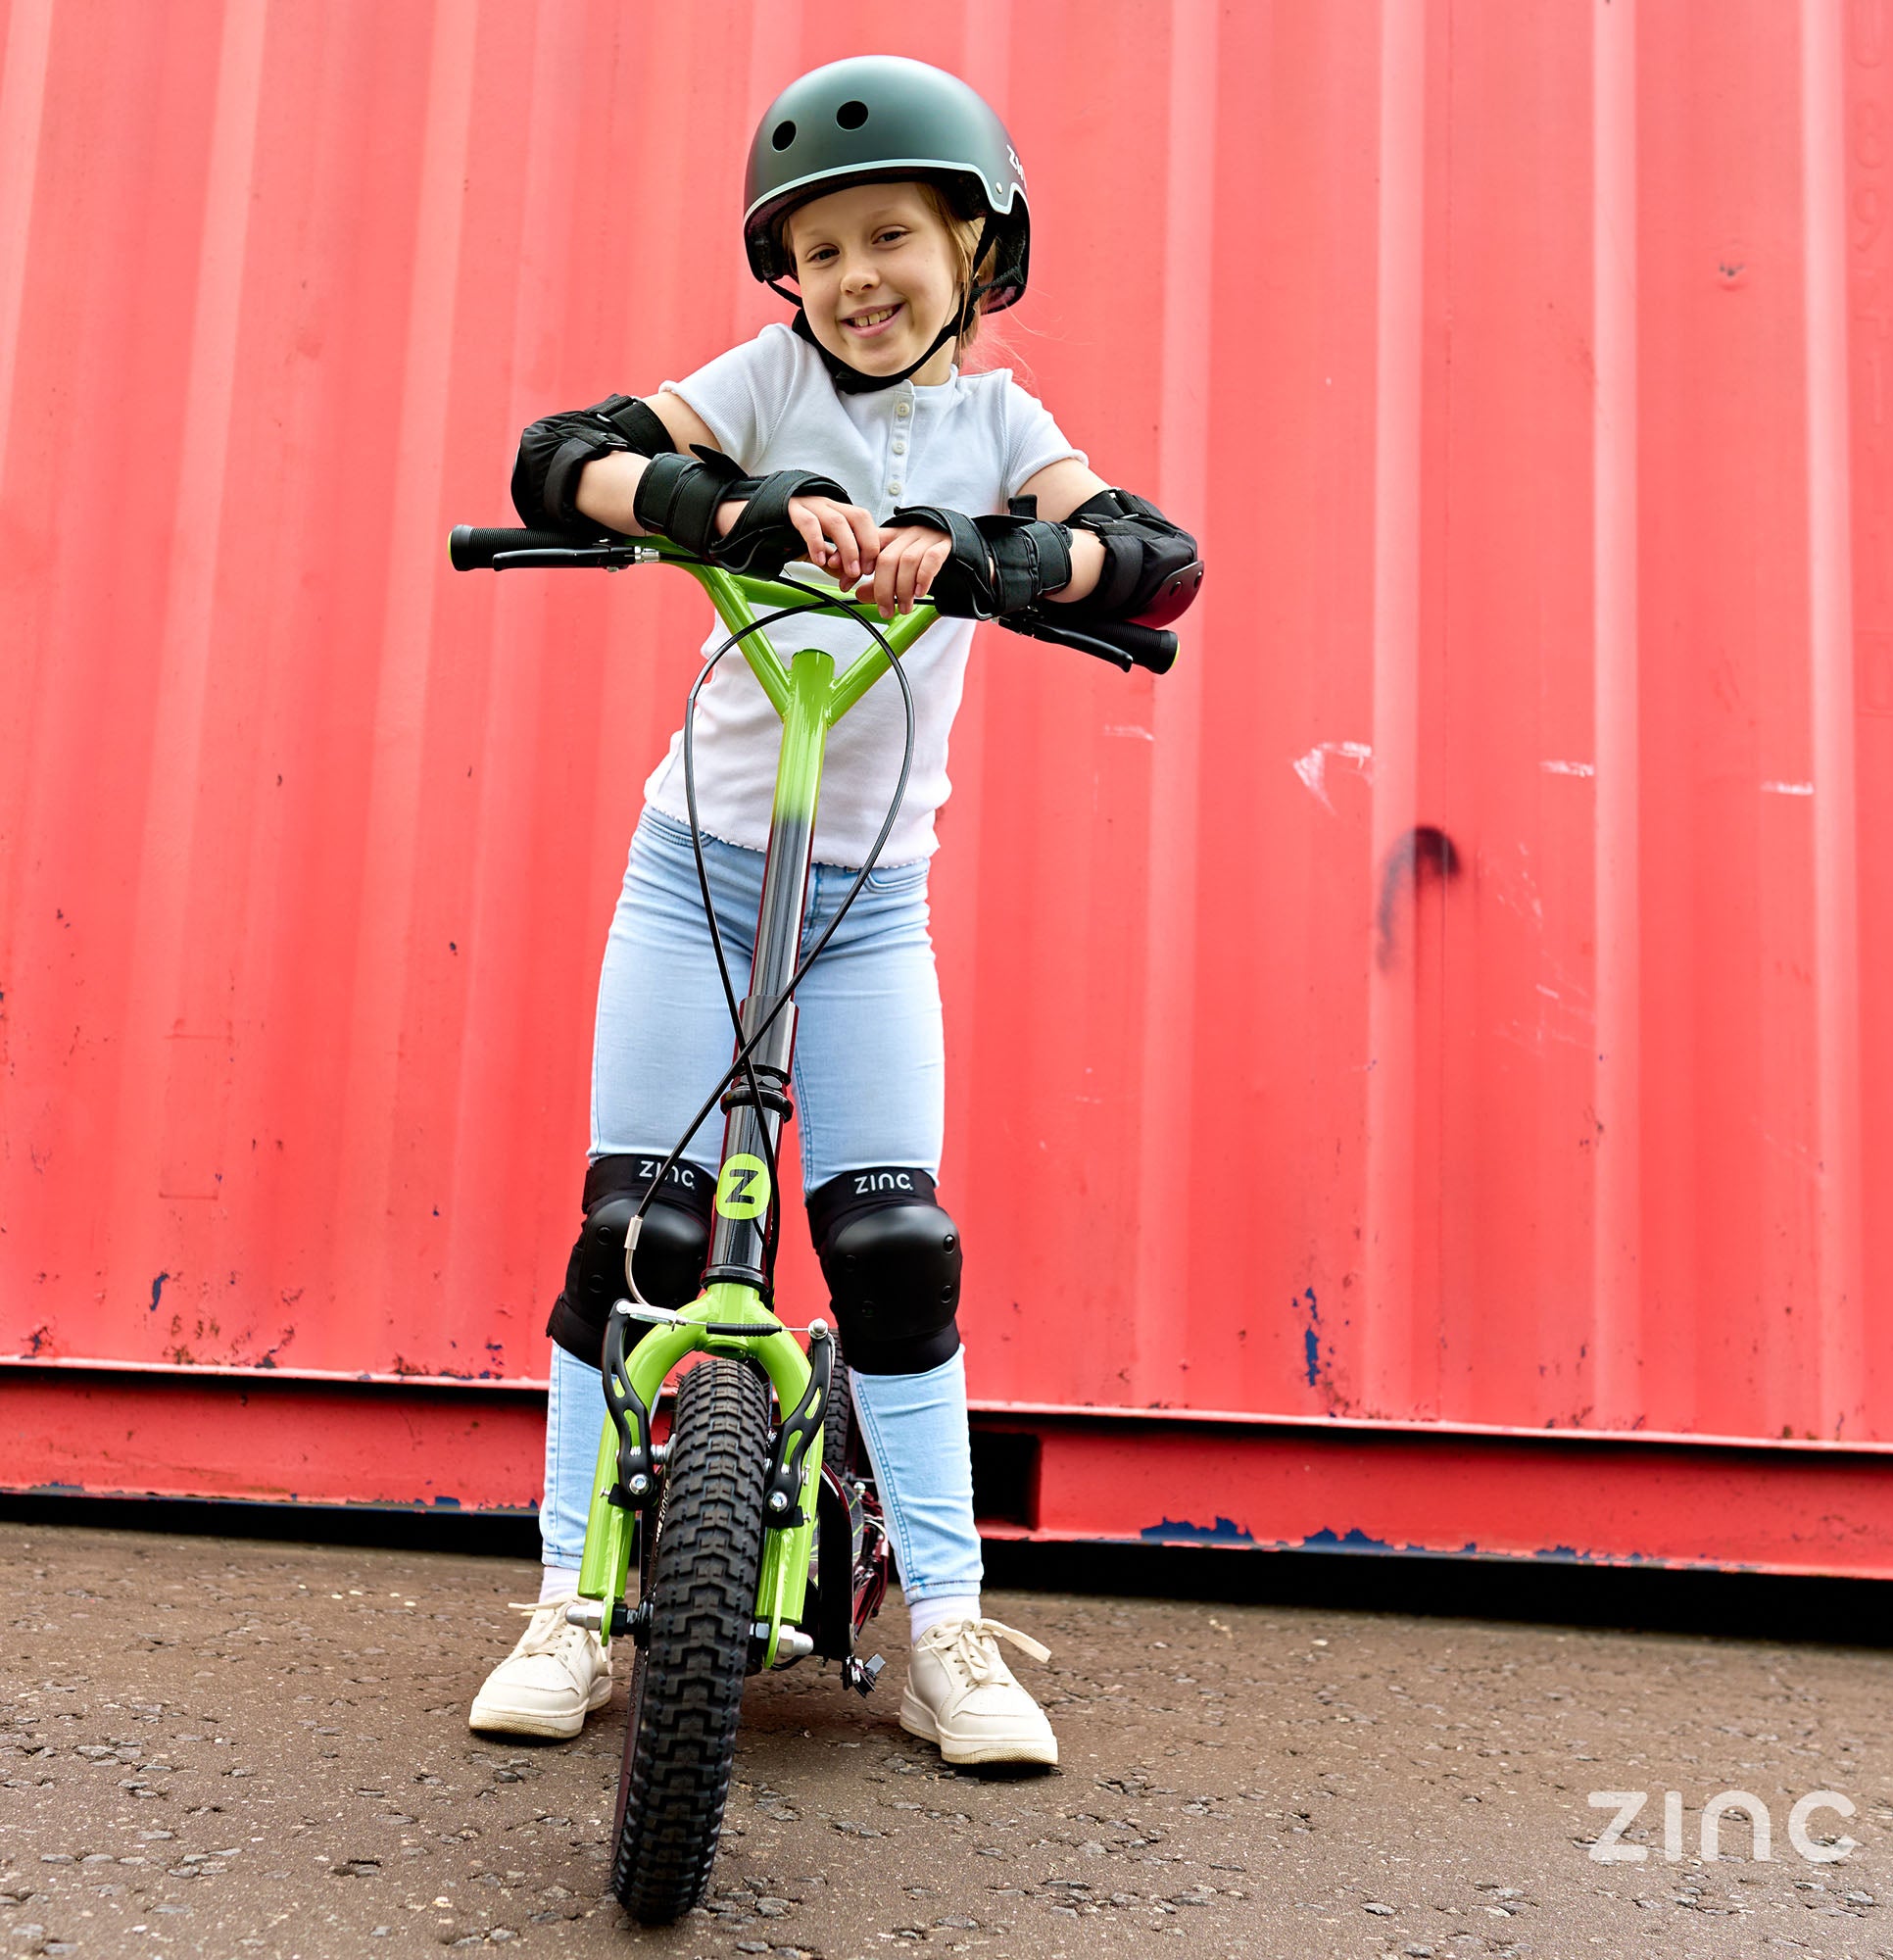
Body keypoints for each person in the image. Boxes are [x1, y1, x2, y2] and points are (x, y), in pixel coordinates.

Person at [466, 55, 1200, 1768]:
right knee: (635, 1237)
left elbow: (1154, 560)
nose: (858, 277)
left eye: (897, 237)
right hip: (694, 879)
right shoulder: (759, 384)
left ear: (976, 250)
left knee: (891, 1247)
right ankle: (572, 1602)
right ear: (784, 277)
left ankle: (945, 1625)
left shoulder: (1007, 433)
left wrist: (988, 557)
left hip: (868, 906)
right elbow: (554, 460)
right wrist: (724, 511)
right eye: (821, 250)